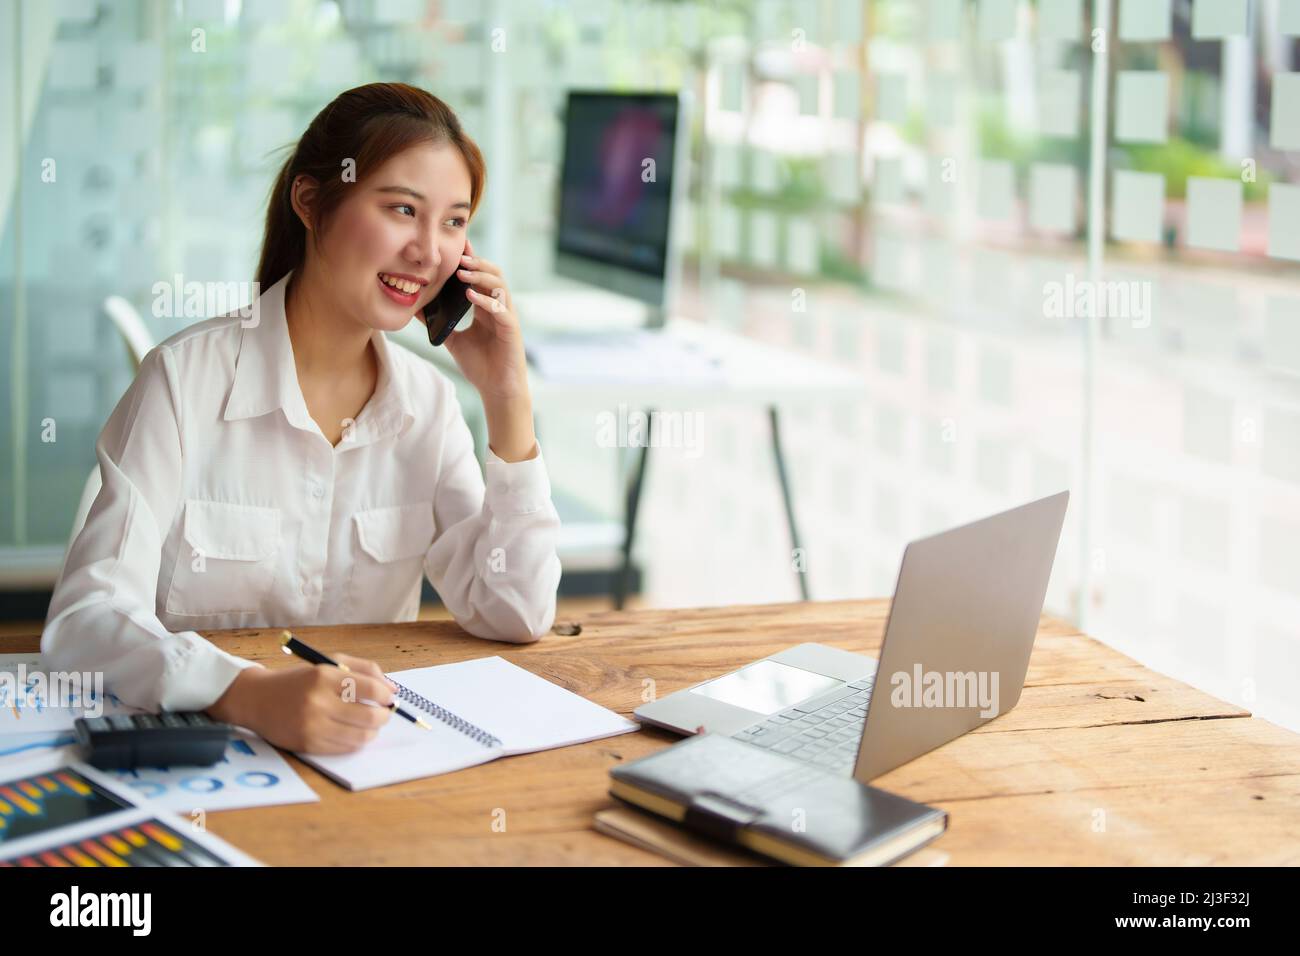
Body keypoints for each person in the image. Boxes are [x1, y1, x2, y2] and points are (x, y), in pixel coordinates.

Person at [42, 82, 561, 755]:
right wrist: (245, 693)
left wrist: (509, 399)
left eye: (455, 222)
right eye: (403, 209)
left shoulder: (427, 409)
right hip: (211, 756)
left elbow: (514, 612)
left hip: (368, 760)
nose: (430, 251)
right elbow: (84, 620)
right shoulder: (184, 382)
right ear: (311, 203)